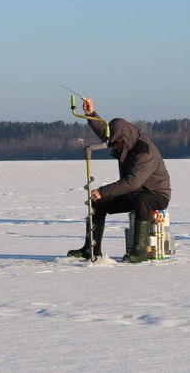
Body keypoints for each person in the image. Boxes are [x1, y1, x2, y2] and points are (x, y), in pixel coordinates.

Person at [68, 97, 171, 263]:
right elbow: (106, 133)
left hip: (155, 193)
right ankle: (91, 248)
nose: (113, 146)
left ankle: (140, 251)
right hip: (134, 193)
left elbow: (133, 182)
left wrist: (103, 191)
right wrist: (90, 114)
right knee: (97, 203)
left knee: (142, 201)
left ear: (123, 139)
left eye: (116, 143)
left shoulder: (144, 151)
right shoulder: (124, 140)